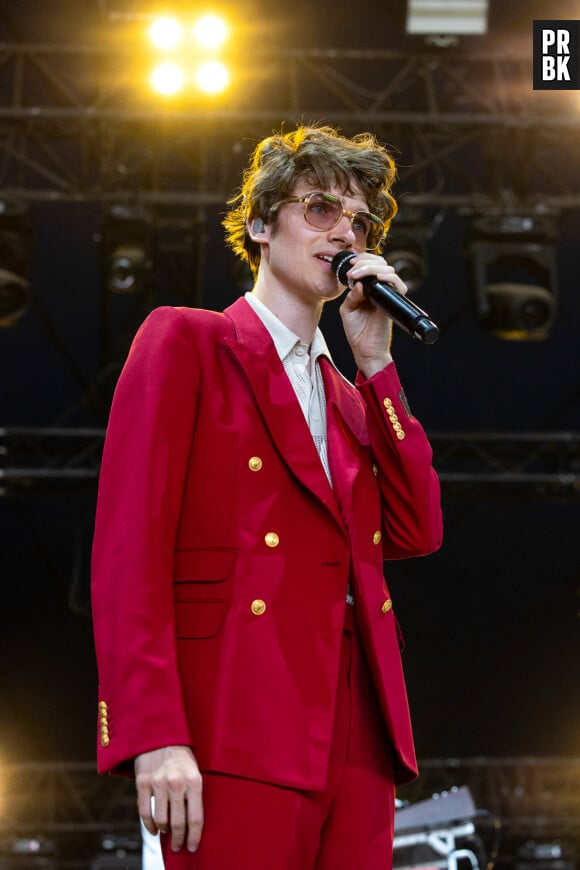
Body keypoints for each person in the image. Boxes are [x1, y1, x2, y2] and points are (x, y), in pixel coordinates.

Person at [91, 124, 443, 869]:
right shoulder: (187, 342)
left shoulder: (352, 398)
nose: (346, 232)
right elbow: (130, 552)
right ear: (259, 221)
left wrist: (376, 363)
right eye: (321, 209)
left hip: (359, 729)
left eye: (360, 221)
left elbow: (417, 529)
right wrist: (153, 732)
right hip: (236, 712)